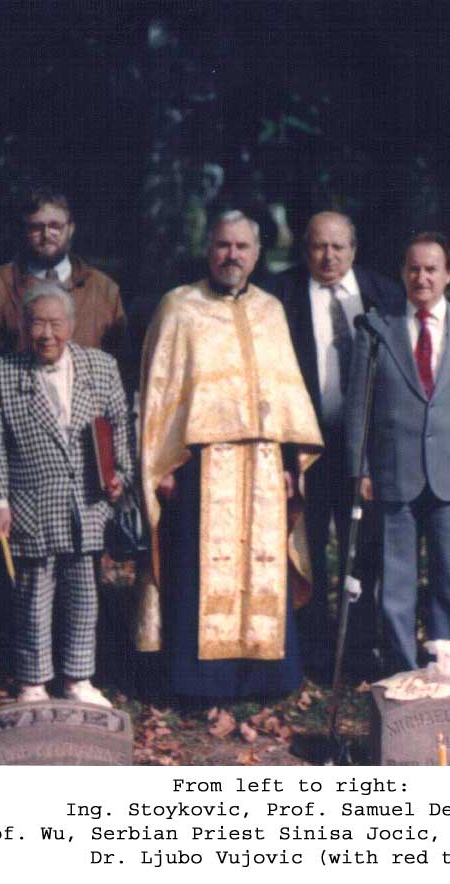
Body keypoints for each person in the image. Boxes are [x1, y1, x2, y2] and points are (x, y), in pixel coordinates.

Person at [138, 210, 323, 701]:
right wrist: (162, 464)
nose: (232, 255)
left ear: (257, 254)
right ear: (208, 249)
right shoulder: (179, 307)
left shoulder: (270, 311)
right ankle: (198, 684)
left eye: (242, 247)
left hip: (263, 466)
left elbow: (287, 397)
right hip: (200, 465)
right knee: (198, 572)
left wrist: (288, 466)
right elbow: (159, 395)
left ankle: (265, 679)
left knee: (264, 568)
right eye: (223, 245)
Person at [346, 232, 450, 671]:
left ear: (449, 274)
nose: (422, 277)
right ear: (402, 272)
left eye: (432, 269)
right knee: (396, 581)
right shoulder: (377, 327)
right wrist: (360, 468)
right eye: (413, 268)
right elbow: (360, 406)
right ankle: (401, 669)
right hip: (395, 472)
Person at [266, 211, 404, 672]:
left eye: (338, 247)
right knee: (308, 550)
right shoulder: (279, 296)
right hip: (306, 445)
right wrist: (284, 457)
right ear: (305, 249)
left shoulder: (384, 295)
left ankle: (359, 650)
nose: (328, 256)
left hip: (365, 446)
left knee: (363, 548)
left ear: (354, 249)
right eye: (318, 246)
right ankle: (313, 650)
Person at [0, 282, 131, 706]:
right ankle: (33, 682)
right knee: (34, 596)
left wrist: (120, 475)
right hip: (30, 505)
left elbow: (120, 424)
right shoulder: (2, 373)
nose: (46, 334)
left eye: (55, 323)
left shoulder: (100, 366)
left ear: (71, 325)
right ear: (24, 327)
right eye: (36, 324)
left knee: (84, 593)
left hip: (88, 502)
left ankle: (78, 679)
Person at [0, 189, 126, 363]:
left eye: (55, 226)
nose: (46, 235)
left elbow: (121, 361)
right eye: (36, 227)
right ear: (25, 230)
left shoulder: (103, 289)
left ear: (71, 228)